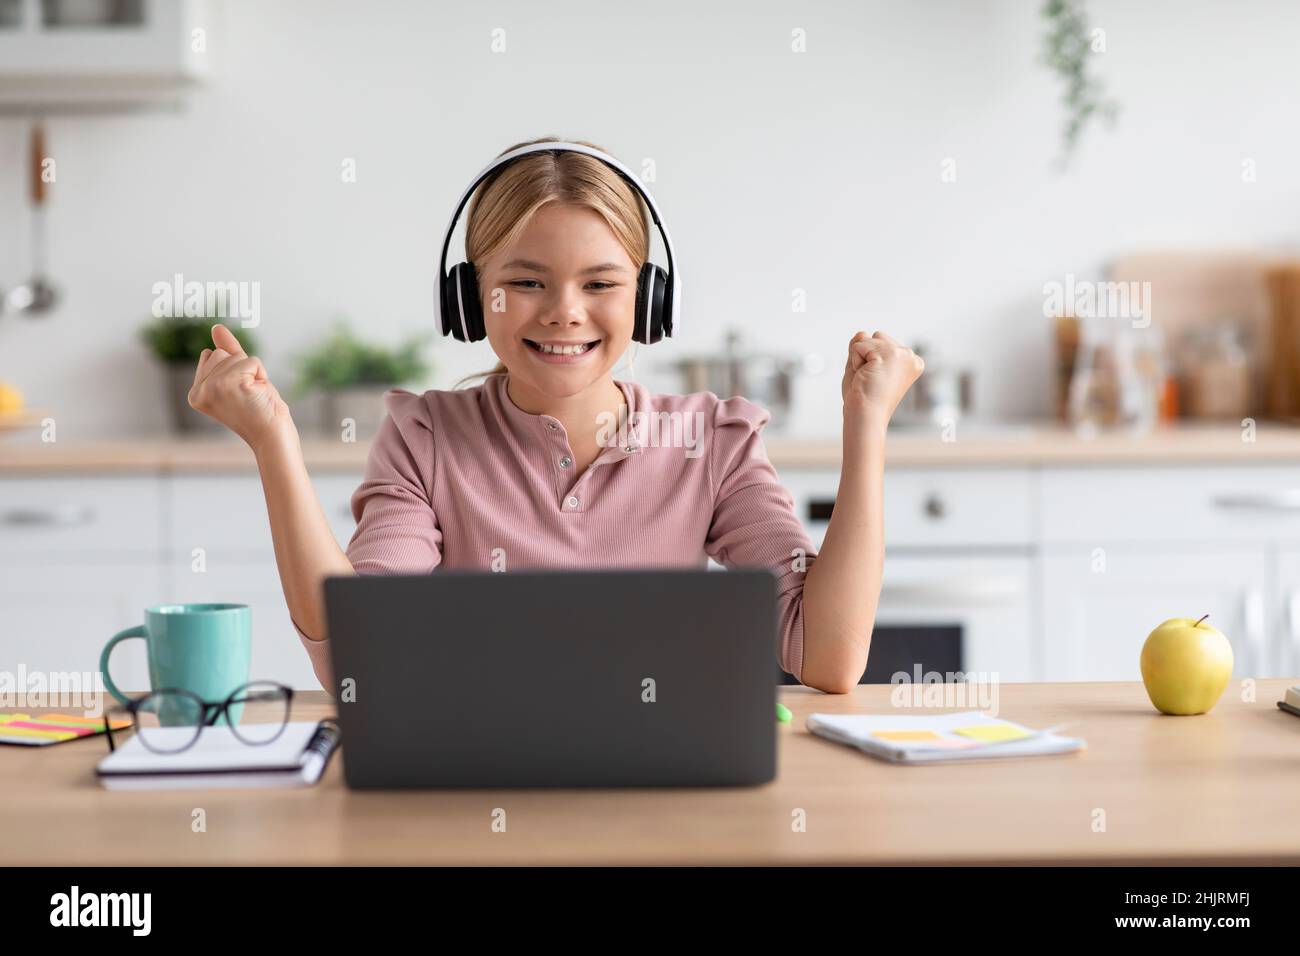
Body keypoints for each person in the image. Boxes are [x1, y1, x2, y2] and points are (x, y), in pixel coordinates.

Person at [187, 136, 924, 695]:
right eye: (526, 281)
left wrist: (866, 430)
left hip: (667, 798)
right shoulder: (427, 437)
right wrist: (273, 440)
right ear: (474, 299)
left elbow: (827, 660)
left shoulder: (712, 439)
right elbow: (357, 654)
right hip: (482, 796)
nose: (565, 312)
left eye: (600, 282)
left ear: (648, 298)